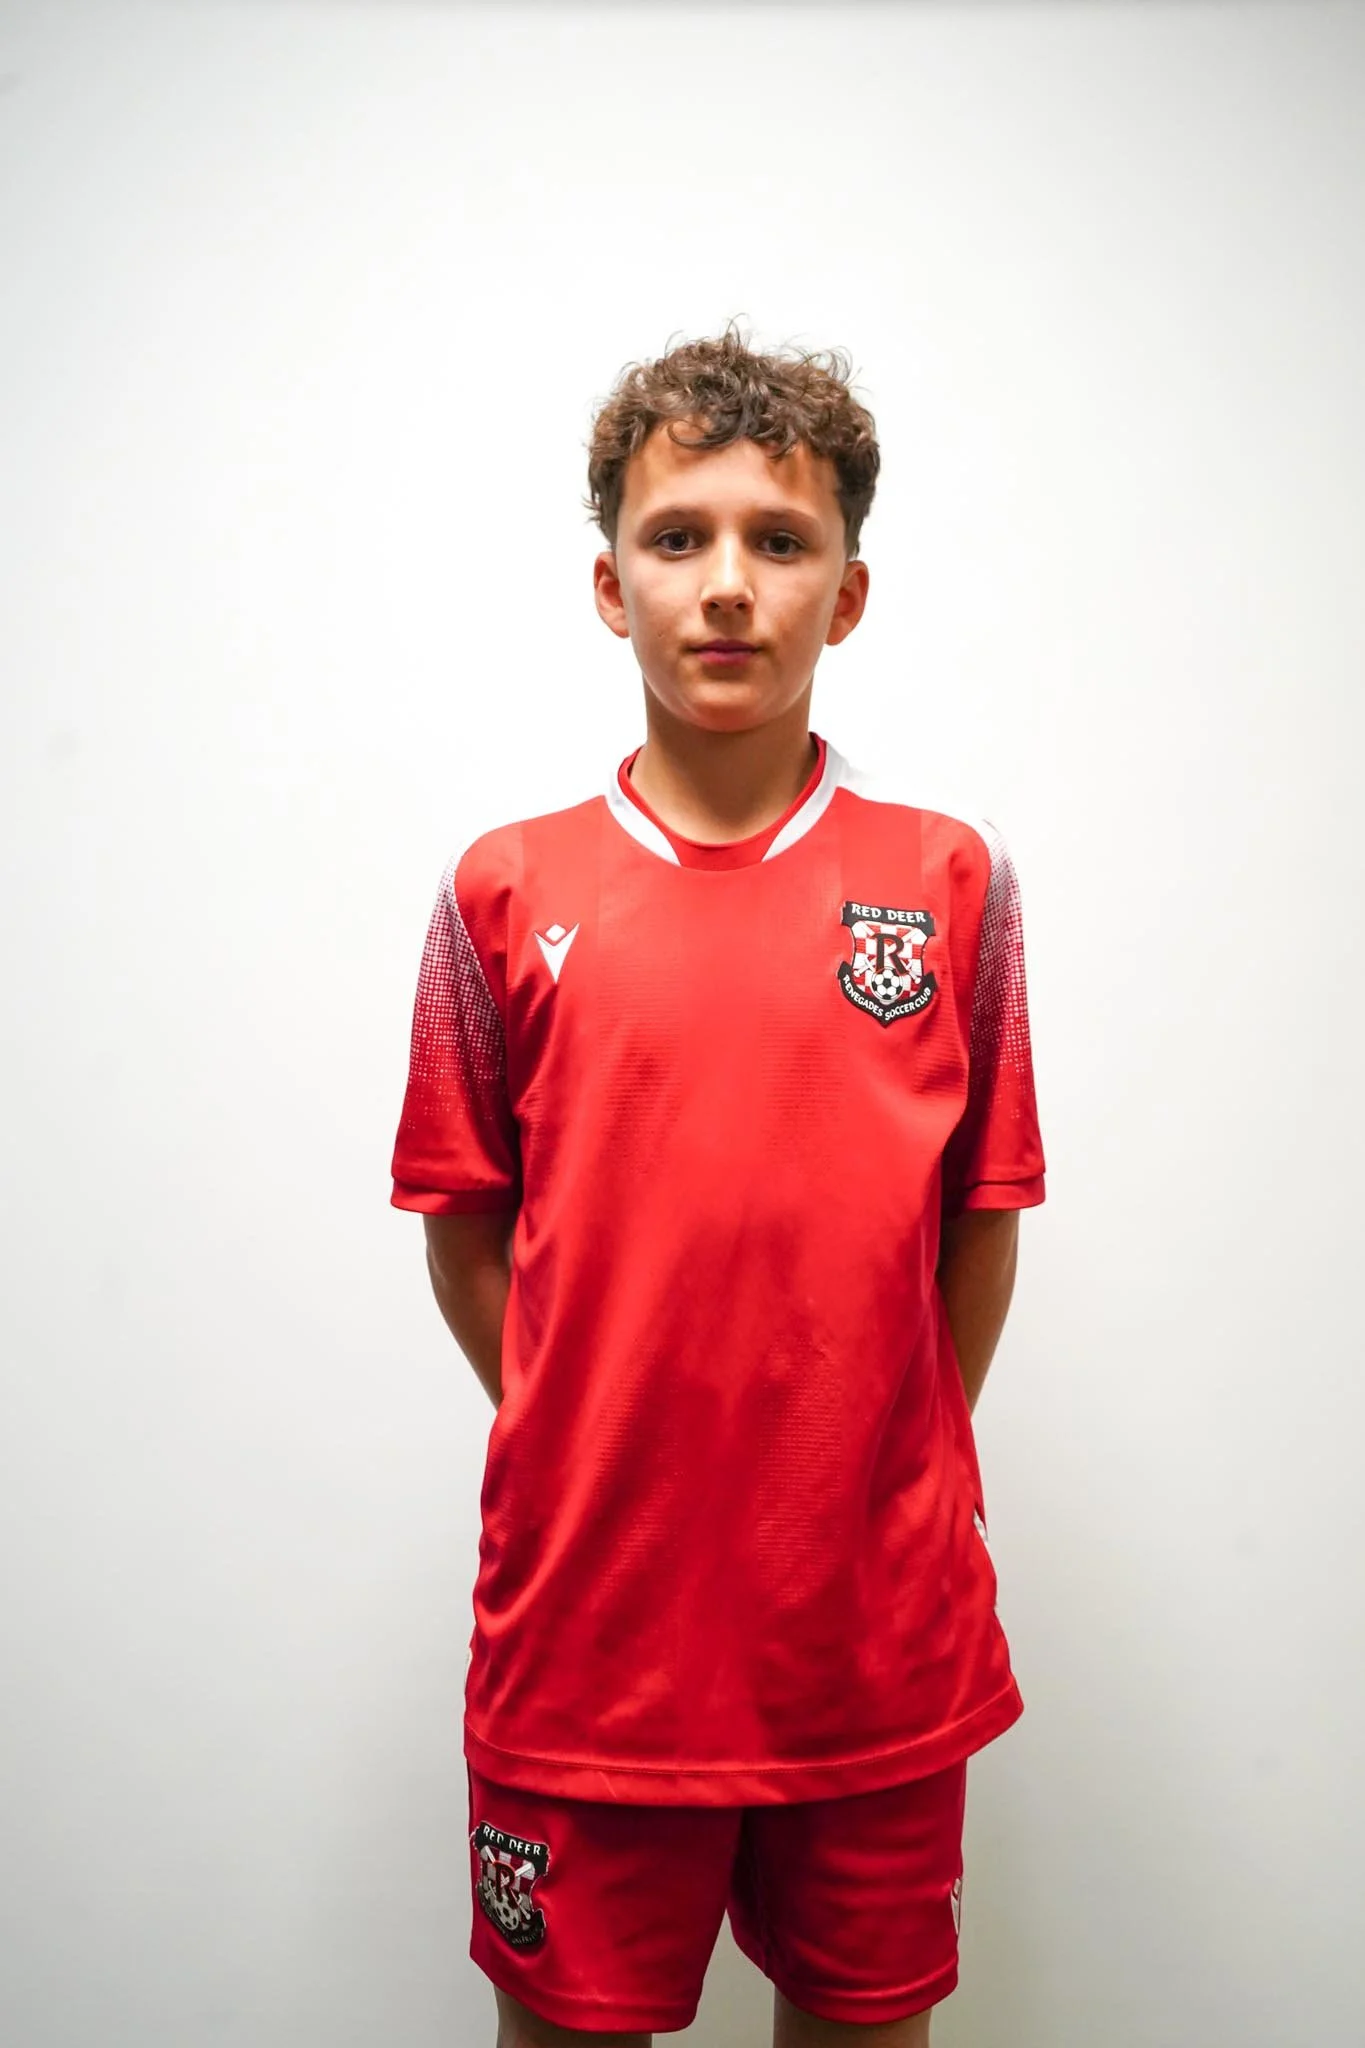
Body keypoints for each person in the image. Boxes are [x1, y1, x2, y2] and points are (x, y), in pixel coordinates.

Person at [388, 321, 1047, 2048]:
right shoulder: (502, 893)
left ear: (850, 592)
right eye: (679, 538)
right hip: (592, 1643)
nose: (728, 585)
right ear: (611, 587)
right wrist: (594, 1430)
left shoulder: (947, 883)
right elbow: (467, 1226)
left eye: (781, 539)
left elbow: (980, 1218)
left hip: (870, 1641)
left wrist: (876, 1457)